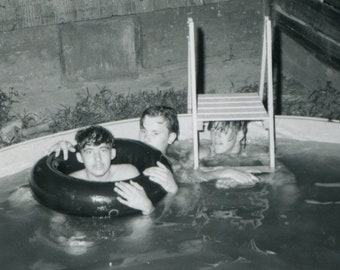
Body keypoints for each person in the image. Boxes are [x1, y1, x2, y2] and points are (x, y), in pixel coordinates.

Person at [49, 105, 179, 194]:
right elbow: (94, 152)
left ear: (171, 137)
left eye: (155, 133)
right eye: (143, 131)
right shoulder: (128, 157)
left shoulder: (181, 166)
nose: (146, 138)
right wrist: (67, 147)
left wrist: (174, 189)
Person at [69, 125, 155, 215]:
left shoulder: (129, 174)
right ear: (80, 157)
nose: (97, 158)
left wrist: (148, 208)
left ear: (112, 154)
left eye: (103, 150)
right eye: (89, 152)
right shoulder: (73, 183)